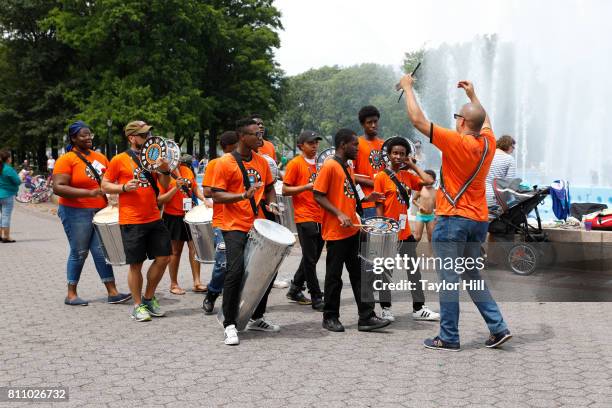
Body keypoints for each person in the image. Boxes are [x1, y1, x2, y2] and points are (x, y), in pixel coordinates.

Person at [399, 74, 511, 351]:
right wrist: (473, 97)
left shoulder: (455, 141)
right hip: (478, 221)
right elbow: (485, 121)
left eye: (457, 116)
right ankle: (498, 328)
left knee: (448, 279)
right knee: (472, 275)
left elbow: (417, 121)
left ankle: (448, 337)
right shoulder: (488, 143)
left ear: (461, 122)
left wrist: (408, 88)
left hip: (453, 221)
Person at [313, 128, 390, 333]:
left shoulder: (347, 167)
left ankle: (366, 316)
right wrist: (339, 214)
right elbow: (318, 195)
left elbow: (351, 193)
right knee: (334, 277)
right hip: (336, 232)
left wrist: (367, 199)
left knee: (360, 275)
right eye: (355, 144)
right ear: (342, 145)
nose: (358, 148)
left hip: (352, 231)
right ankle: (330, 317)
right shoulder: (330, 166)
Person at [211, 118, 281, 346]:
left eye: (261, 134)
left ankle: (257, 317)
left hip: (258, 224)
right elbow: (216, 194)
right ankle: (229, 324)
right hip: (233, 225)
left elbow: (269, 187)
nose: (261, 138)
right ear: (243, 137)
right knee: (235, 271)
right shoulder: (225, 163)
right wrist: (242, 196)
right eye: (256, 135)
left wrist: (271, 204)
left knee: (267, 271)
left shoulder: (262, 162)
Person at [52, 121, 131, 306]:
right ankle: (71, 294)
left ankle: (113, 292)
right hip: (75, 212)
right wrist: (89, 193)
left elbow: (108, 181)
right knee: (79, 251)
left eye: (90, 135)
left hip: (100, 211)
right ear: (73, 138)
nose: (88, 138)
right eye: (83, 135)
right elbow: (58, 187)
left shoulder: (101, 157)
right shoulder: (66, 159)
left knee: (101, 251)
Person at [101, 120, 172, 322]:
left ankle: (149, 297)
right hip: (132, 219)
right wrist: (123, 188)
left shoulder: (154, 157)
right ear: (132, 138)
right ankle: (137, 305)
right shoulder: (119, 160)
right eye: (143, 135)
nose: (148, 138)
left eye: (148, 134)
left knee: (164, 257)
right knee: (136, 265)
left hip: (154, 217)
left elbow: (165, 185)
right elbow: (104, 185)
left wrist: (165, 169)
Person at [373, 138, 439, 322]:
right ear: (389, 155)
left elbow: (428, 180)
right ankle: (385, 308)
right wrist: (382, 230)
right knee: (386, 272)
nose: (398, 157)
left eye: (402, 154)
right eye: (395, 153)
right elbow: (379, 206)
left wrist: (412, 165)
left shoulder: (407, 176)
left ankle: (419, 308)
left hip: (405, 233)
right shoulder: (380, 177)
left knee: (414, 270)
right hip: (389, 232)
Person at [282, 130, 325, 311]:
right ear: (301, 146)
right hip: (305, 215)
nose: (315, 146)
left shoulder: (322, 163)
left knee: (313, 257)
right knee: (309, 258)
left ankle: (295, 288)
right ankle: (316, 296)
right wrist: (306, 187)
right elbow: (285, 190)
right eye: (310, 143)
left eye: (316, 143)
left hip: (322, 215)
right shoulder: (295, 164)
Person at [157, 154, 206, 295]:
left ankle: (197, 282)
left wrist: (203, 199)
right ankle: (174, 283)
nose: (176, 160)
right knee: (175, 251)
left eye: (177, 157)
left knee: (194, 248)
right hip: (173, 216)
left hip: (190, 214)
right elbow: (161, 200)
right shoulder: (163, 174)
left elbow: (195, 188)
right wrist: (175, 188)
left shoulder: (187, 170)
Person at [201, 131, 238, 314]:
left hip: (243, 220)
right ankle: (212, 293)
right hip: (222, 220)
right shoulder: (216, 164)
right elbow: (207, 191)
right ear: (231, 146)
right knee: (223, 263)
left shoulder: (246, 162)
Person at [354, 105, 386, 219]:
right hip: (367, 202)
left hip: (385, 200)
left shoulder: (385, 145)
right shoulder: (356, 144)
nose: (373, 125)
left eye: (375, 121)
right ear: (363, 124)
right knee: (370, 236)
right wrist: (374, 183)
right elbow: (347, 174)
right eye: (369, 122)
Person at [485, 135, 517, 208]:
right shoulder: (509, 159)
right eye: (513, 147)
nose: (513, 150)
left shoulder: (487, 154)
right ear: (508, 145)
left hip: (480, 195)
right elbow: (509, 183)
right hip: (495, 197)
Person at [0, 149, 21, 243]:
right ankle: (6, 236)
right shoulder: (8, 169)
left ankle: (0, 235)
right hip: (6, 195)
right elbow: (17, 181)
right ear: (8, 159)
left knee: (2, 216)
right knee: (6, 215)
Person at [412, 170, 438, 242]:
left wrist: (437, 212)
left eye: (430, 178)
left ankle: (430, 253)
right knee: (417, 237)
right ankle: (412, 251)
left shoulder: (436, 191)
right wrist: (419, 205)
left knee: (431, 237)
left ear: (434, 180)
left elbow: (436, 205)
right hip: (420, 215)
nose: (427, 180)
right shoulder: (420, 189)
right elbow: (413, 200)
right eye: (425, 178)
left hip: (431, 216)